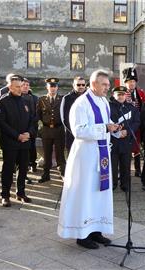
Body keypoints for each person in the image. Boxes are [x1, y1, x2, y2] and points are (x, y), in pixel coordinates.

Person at [58, 70, 119, 249]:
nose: (108, 88)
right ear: (94, 84)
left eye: (108, 85)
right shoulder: (81, 104)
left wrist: (114, 129)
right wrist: (105, 128)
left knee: (98, 192)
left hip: (101, 156)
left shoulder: (103, 101)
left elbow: (106, 124)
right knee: (85, 193)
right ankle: (82, 235)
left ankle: (96, 230)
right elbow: (79, 131)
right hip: (86, 157)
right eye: (104, 85)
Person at [0, 75, 35, 207]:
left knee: (23, 168)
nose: (20, 89)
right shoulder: (2, 102)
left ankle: (21, 192)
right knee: (8, 169)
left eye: (21, 86)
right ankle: (5, 195)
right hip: (10, 143)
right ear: (9, 87)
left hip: (25, 142)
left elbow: (32, 120)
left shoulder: (25, 101)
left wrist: (29, 133)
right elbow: (2, 124)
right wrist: (17, 135)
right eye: (17, 87)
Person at [109, 86, 140, 192]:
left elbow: (136, 122)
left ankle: (125, 184)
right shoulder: (108, 107)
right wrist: (116, 131)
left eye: (123, 94)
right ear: (114, 95)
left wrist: (128, 131)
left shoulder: (131, 108)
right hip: (113, 141)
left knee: (126, 164)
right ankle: (113, 184)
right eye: (119, 94)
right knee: (113, 164)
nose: (121, 96)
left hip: (126, 140)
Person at [37, 78, 66, 183]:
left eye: (54, 86)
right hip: (47, 130)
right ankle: (46, 174)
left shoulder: (62, 99)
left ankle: (63, 173)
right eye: (51, 86)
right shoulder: (42, 99)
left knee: (60, 154)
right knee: (47, 153)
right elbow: (39, 114)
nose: (53, 89)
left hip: (59, 130)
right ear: (47, 87)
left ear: (57, 87)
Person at [123, 67, 145, 176]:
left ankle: (138, 169)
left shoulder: (141, 93)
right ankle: (125, 170)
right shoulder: (122, 93)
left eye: (133, 81)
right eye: (129, 81)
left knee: (137, 147)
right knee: (126, 148)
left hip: (138, 124)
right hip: (126, 124)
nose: (132, 83)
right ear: (126, 82)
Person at [60, 76, 87, 153]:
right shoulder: (67, 98)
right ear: (73, 85)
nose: (81, 87)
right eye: (78, 85)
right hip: (72, 135)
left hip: (87, 135)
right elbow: (65, 119)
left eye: (83, 85)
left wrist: (86, 132)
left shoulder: (89, 98)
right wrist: (76, 132)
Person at [21, 78, 39, 178]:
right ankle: (25, 164)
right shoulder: (19, 98)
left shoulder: (35, 98)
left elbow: (38, 113)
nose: (25, 86)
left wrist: (33, 122)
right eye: (23, 85)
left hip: (32, 127)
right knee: (24, 147)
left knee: (32, 146)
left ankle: (33, 163)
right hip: (22, 127)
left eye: (27, 85)